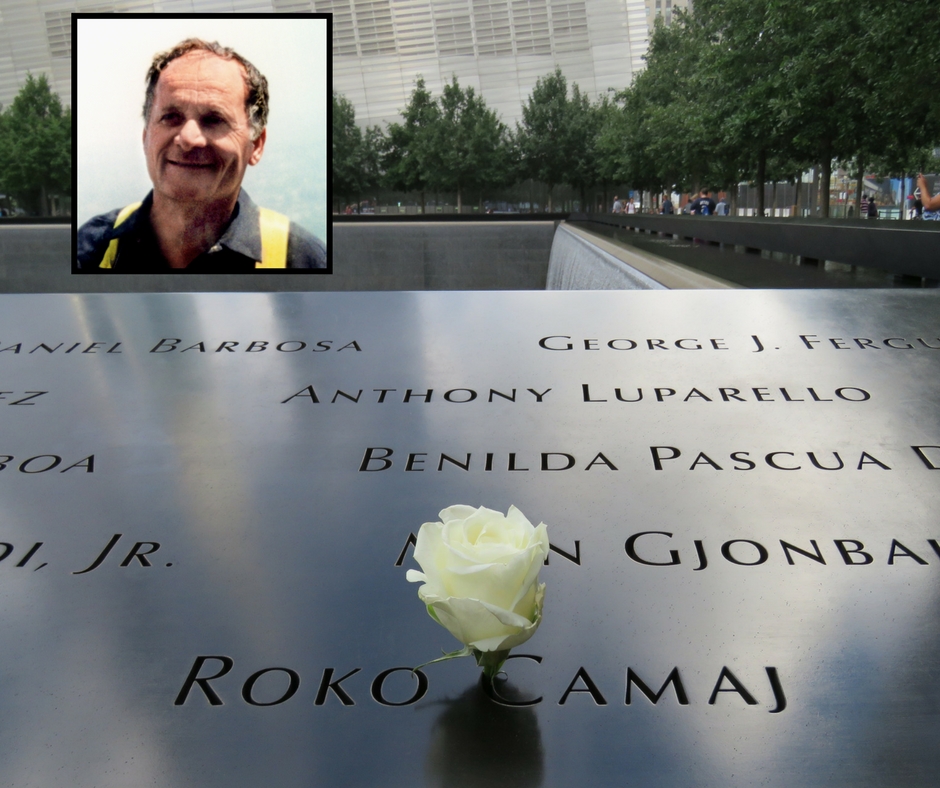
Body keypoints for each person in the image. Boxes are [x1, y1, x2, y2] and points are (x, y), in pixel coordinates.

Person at [77, 38, 326, 272]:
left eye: (214, 119)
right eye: (170, 117)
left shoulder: (304, 261)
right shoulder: (90, 250)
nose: (188, 138)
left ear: (256, 145)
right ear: (146, 138)